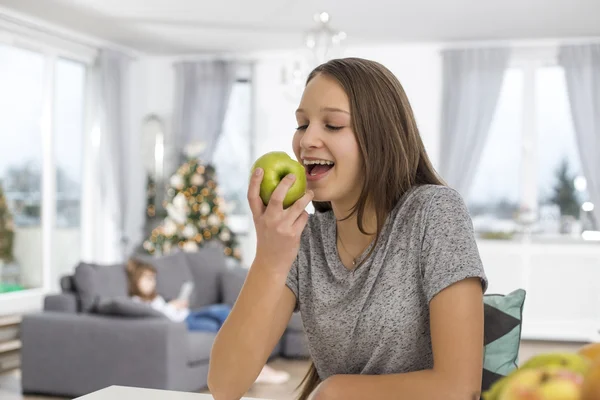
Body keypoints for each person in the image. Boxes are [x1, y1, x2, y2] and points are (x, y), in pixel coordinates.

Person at [208, 57, 488, 400]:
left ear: (380, 137)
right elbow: (224, 385)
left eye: (333, 125)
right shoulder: (305, 241)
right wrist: (269, 259)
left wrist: (335, 391)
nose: (307, 140)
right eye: (302, 124)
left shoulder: (434, 212)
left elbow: (460, 388)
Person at [126, 258, 290, 385]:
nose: (151, 282)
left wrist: (176, 305)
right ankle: (255, 369)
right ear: (135, 281)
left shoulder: (156, 298)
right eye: (147, 278)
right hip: (182, 323)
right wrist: (171, 307)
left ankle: (255, 367)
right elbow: (159, 316)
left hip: (186, 315)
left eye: (153, 278)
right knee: (218, 319)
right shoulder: (138, 302)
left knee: (221, 316)